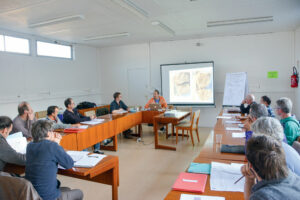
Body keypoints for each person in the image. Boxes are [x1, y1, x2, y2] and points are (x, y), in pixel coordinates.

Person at [25, 120, 83, 200]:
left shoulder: (30, 146)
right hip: (47, 196)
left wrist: (53, 144)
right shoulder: (52, 146)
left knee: (67, 189)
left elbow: (44, 152)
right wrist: (57, 144)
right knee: (79, 193)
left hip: (32, 194)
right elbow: (69, 164)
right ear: (49, 133)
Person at [241, 135, 300, 200]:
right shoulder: (295, 177)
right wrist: (250, 179)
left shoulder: (262, 196)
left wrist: (249, 180)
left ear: (250, 166)